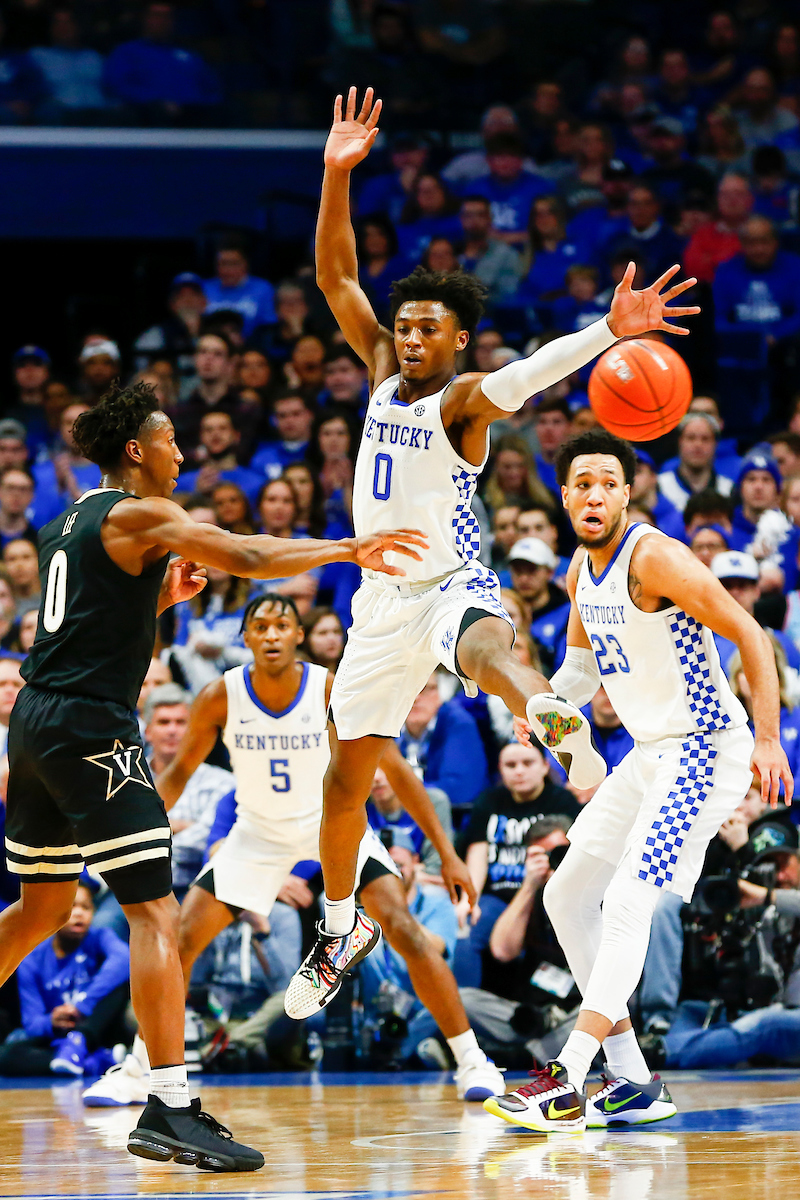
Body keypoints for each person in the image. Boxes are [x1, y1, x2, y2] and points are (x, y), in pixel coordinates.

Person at [284, 87, 699, 1023]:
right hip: (377, 609)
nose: (413, 335)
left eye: (432, 326)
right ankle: (342, 923)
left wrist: (608, 332)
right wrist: (334, 174)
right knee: (345, 784)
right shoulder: (385, 374)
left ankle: (549, 713)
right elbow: (334, 276)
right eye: (408, 325)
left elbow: (528, 373)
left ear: (458, 338)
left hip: (450, 585)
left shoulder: (464, 397)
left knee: (484, 650)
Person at [0, 378, 423, 1169]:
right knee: (157, 915)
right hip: (91, 725)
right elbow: (252, 554)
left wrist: (159, 600)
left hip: (36, 719)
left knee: (41, 906)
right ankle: (168, 1105)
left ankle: (164, 1097)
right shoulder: (141, 511)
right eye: (169, 441)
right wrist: (346, 549)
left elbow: (96, 632)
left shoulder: (66, 523)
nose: (182, 452)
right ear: (137, 451)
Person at [485, 426, 791, 1133]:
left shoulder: (655, 557)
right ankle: (630, 1079)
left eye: (607, 483)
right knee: (566, 893)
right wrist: (544, 709)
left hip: (706, 749)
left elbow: (749, 632)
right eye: (581, 484)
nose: (594, 494)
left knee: (627, 900)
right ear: (563, 497)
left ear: (626, 493)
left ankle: (566, 1076)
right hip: (649, 753)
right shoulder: (576, 573)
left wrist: (769, 739)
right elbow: (581, 672)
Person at [144, 593, 503, 1102]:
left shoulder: (327, 688)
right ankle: (140, 1065)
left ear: (297, 637)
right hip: (257, 834)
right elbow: (177, 775)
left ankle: (472, 1059)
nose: (270, 634)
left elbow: (395, 770)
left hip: (331, 830)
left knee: (403, 927)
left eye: (281, 624)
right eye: (260, 625)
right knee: (178, 943)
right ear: (245, 638)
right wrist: (134, 838)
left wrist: (446, 852)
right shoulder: (219, 696)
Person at [0, 883, 129, 1079]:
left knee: (117, 985)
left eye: (85, 907)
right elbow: (31, 1022)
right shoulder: (32, 957)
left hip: (94, 1028)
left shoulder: (100, 937)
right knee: (7, 1056)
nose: (79, 914)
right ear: (55, 913)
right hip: (58, 1035)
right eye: (72, 907)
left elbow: (124, 960)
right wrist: (51, 1020)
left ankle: (79, 1044)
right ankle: (92, 1062)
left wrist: (82, 1006)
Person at [202, 237, 276, 338]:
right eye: (223, 264)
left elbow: (268, 327)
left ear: (245, 264)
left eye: (233, 264)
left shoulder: (263, 289)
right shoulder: (204, 288)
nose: (228, 270)